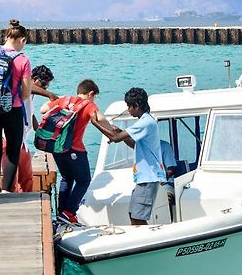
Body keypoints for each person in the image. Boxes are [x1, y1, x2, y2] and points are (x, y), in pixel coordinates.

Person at [40, 79, 112, 224]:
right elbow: (100, 118)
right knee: (84, 181)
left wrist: (58, 100)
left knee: (67, 178)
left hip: (57, 147)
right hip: (75, 149)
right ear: (91, 93)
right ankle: (69, 212)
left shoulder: (64, 100)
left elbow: (43, 109)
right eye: (94, 96)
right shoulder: (88, 104)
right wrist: (112, 130)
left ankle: (62, 213)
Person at [92, 87, 166, 225]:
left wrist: (95, 123)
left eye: (129, 106)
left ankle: (146, 242)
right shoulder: (145, 121)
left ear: (136, 106)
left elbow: (115, 138)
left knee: (138, 217)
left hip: (148, 177)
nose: (128, 110)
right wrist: (120, 132)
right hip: (144, 177)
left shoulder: (146, 122)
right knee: (133, 214)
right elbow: (134, 144)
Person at [0, 19, 32, 193]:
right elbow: (26, 94)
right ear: (22, 40)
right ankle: (6, 192)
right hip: (12, 109)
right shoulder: (22, 60)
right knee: (12, 152)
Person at [1, 64, 57, 192]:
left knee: (27, 176)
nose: (45, 87)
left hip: (22, 140)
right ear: (34, 79)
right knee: (11, 177)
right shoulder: (22, 86)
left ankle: (26, 197)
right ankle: (9, 199)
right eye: (43, 85)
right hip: (8, 137)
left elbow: (30, 114)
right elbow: (27, 87)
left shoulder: (30, 95)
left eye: (47, 86)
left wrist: (40, 132)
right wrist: (49, 94)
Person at [160, 139, 177, 217]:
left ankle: (169, 221)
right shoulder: (141, 146)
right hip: (147, 183)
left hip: (165, 183)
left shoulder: (164, 146)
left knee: (166, 198)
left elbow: (171, 170)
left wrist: (160, 180)